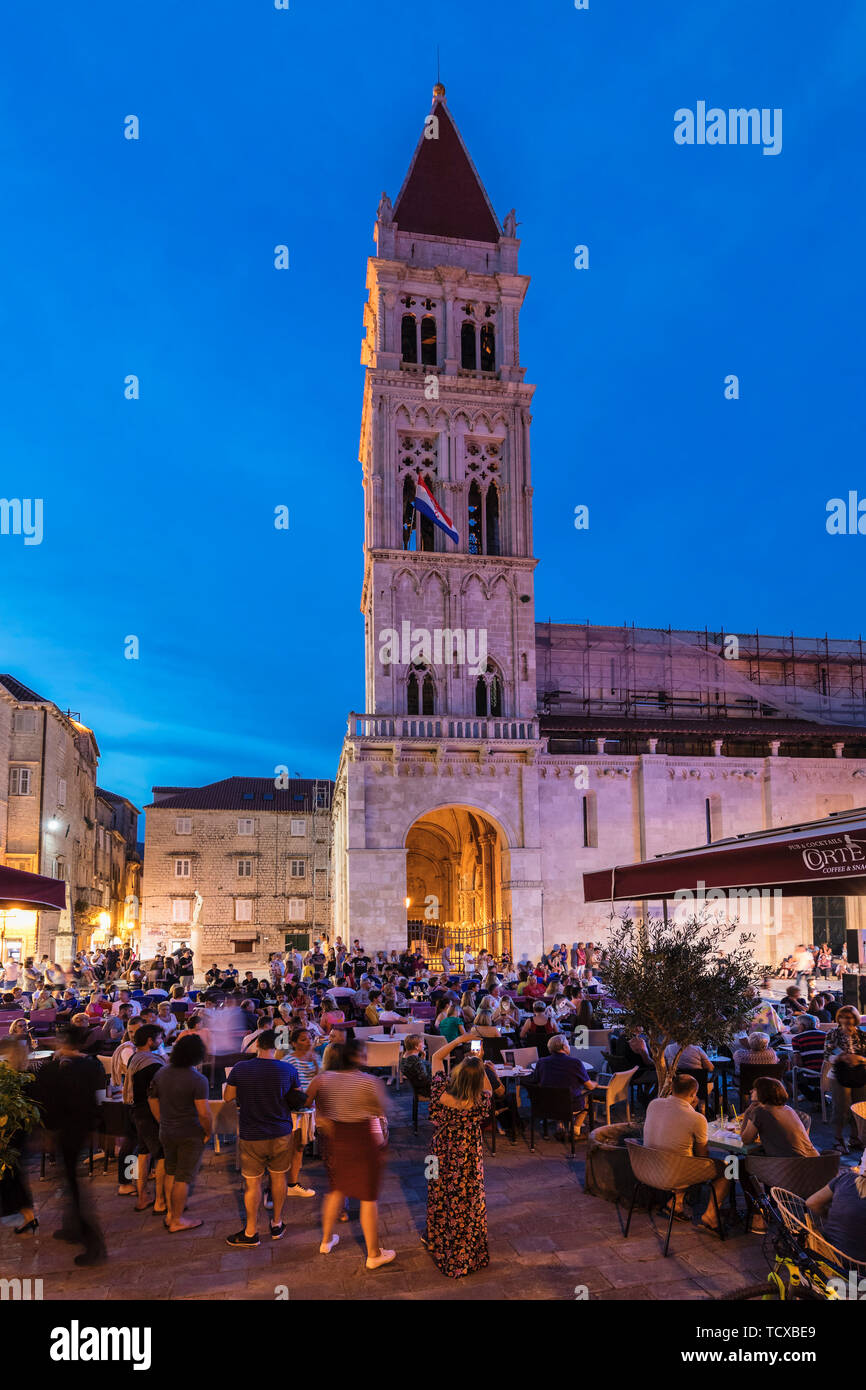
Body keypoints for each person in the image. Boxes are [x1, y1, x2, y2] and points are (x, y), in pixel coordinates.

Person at [306, 1039, 394, 1268]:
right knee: (367, 1197)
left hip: (338, 1139)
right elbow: (380, 1110)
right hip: (362, 1139)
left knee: (336, 1190)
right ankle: (373, 1254)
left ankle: (326, 1240)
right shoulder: (369, 1082)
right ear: (359, 1057)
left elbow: (313, 1104)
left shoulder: (323, 1079)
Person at [223, 1028, 313, 1247]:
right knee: (279, 1178)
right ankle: (277, 1223)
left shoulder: (241, 1068)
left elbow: (228, 1097)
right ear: (277, 1047)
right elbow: (298, 1096)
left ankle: (251, 1231)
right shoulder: (287, 1069)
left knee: (252, 1184)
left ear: (257, 1046)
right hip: (280, 1132)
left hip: (252, 1133)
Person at [31, 1024, 107, 1264]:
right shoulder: (92, 1065)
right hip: (81, 1128)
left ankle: (93, 1246)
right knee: (69, 1180)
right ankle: (72, 1227)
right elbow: (99, 1098)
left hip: (64, 1131)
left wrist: (46, 1133)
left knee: (74, 1185)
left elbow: (43, 1105)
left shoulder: (51, 1069)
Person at [424, 1032, 492, 1276]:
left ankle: (437, 1240)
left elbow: (435, 1057)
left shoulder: (440, 1091)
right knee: (467, 1200)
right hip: (467, 1158)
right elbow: (489, 1091)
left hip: (439, 1154)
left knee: (438, 1195)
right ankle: (467, 1249)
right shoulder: (481, 1102)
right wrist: (480, 1064)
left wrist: (460, 1040)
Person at [642, 1073, 728, 1230]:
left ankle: (676, 1204)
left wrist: (690, 1108)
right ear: (693, 1094)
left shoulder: (654, 1104)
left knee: (679, 1153)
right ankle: (710, 1214)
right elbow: (703, 1157)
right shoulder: (697, 1119)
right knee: (730, 1167)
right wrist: (693, 1112)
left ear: (672, 1088)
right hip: (676, 1173)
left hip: (648, 1168)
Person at [147, 1032, 212, 1232]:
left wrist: (161, 1119)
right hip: (189, 1133)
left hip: (167, 1130)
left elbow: (152, 1099)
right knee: (183, 1177)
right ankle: (177, 1219)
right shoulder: (198, 1079)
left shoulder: (161, 1073)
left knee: (171, 1171)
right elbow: (203, 1113)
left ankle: (169, 1213)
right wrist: (208, 1131)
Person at [123, 1023, 167, 1213]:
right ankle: (160, 1201)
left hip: (135, 1111)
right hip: (149, 1113)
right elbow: (156, 1093)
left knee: (143, 1154)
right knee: (162, 1156)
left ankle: (143, 1196)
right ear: (150, 1041)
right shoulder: (153, 1063)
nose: (161, 1041)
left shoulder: (135, 1057)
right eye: (159, 1038)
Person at [0, 1036, 39, 1234]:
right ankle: (27, 1214)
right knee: (13, 1174)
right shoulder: (24, 1074)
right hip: (18, 1131)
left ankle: (26, 1214)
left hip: (10, 1132)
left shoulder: (12, 1077)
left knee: (10, 1174)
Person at [529, 1032, 598, 1137]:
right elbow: (589, 1086)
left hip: (547, 1106)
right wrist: (595, 1084)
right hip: (570, 1106)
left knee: (557, 1092)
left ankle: (560, 1124)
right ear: (565, 1047)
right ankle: (576, 1128)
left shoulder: (541, 1062)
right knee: (587, 1095)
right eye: (568, 1044)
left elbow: (535, 1081)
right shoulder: (575, 1063)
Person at [738, 1076, 818, 1157]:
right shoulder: (788, 1109)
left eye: (755, 1089)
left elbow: (745, 1140)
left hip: (792, 1165)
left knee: (749, 1158)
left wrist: (747, 1113)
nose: (751, 1091)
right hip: (814, 1161)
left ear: (762, 1092)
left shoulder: (760, 1111)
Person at [823, 1005, 866, 1152]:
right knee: (841, 1107)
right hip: (840, 1074)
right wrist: (842, 1057)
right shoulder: (833, 1034)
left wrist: (857, 1058)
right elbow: (828, 1054)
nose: (847, 1020)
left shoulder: (862, 1034)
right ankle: (838, 1139)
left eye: (851, 1017)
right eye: (844, 1017)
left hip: (860, 1073)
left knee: (858, 1107)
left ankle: (856, 1138)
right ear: (839, 1018)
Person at [806, 1161, 866, 1263]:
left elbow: (811, 1203)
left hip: (826, 1255)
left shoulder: (846, 1178)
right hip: (855, 1270)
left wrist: (836, 1216)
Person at [401, 1034, 431, 1098]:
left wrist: (423, 1057)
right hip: (426, 1089)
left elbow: (418, 1069)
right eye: (422, 1043)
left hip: (418, 1087)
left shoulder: (405, 1057)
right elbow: (424, 1078)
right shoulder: (415, 1059)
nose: (424, 1045)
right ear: (416, 1046)